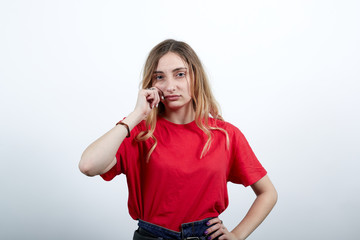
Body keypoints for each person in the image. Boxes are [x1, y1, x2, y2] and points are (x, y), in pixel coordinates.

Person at [79, 39, 277, 240]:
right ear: (152, 84)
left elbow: (267, 193)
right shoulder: (140, 132)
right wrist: (136, 114)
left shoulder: (226, 134)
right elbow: (88, 165)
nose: (170, 86)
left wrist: (237, 235)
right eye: (160, 77)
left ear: (195, 77)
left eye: (180, 74)